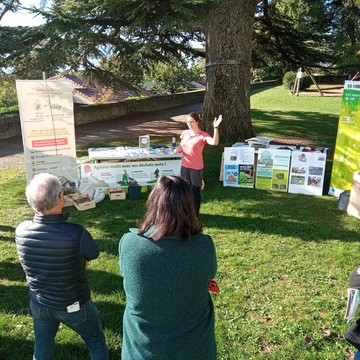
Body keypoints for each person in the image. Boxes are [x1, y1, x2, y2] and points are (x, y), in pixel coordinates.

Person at [119, 176, 217, 360]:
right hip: (195, 351)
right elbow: (210, 275)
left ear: (153, 203)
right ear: (189, 206)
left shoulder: (130, 244)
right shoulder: (204, 245)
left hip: (142, 352)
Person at [15, 173, 109, 360]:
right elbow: (94, 253)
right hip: (73, 305)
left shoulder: (21, 230)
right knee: (96, 341)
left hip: (40, 303)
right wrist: (80, 260)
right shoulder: (76, 233)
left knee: (41, 348)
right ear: (60, 197)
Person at [173, 112, 223, 215]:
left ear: (197, 122)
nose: (189, 124)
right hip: (185, 166)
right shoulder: (185, 133)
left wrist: (216, 128)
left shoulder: (203, 135)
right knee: (185, 190)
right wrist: (178, 149)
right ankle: (186, 212)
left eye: (191, 122)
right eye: (187, 122)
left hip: (196, 168)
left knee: (195, 191)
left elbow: (214, 142)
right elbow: (183, 146)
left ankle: (195, 214)